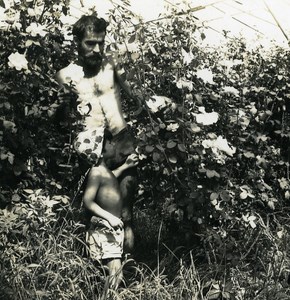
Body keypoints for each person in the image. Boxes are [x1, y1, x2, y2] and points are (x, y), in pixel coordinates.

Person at [56, 14, 141, 253]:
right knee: (98, 210)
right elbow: (61, 121)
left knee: (126, 211)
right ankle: (97, 270)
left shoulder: (112, 65)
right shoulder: (65, 76)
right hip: (94, 148)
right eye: (90, 43)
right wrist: (60, 105)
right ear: (77, 42)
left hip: (122, 141)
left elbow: (136, 96)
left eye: (101, 42)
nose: (96, 49)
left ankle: (127, 271)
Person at [81, 127, 138, 289]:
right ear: (100, 150)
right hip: (105, 227)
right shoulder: (96, 172)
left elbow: (111, 178)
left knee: (110, 273)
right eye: (110, 142)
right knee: (115, 273)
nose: (113, 144)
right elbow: (88, 201)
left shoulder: (104, 170)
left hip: (110, 228)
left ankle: (103, 294)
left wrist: (125, 166)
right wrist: (110, 217)